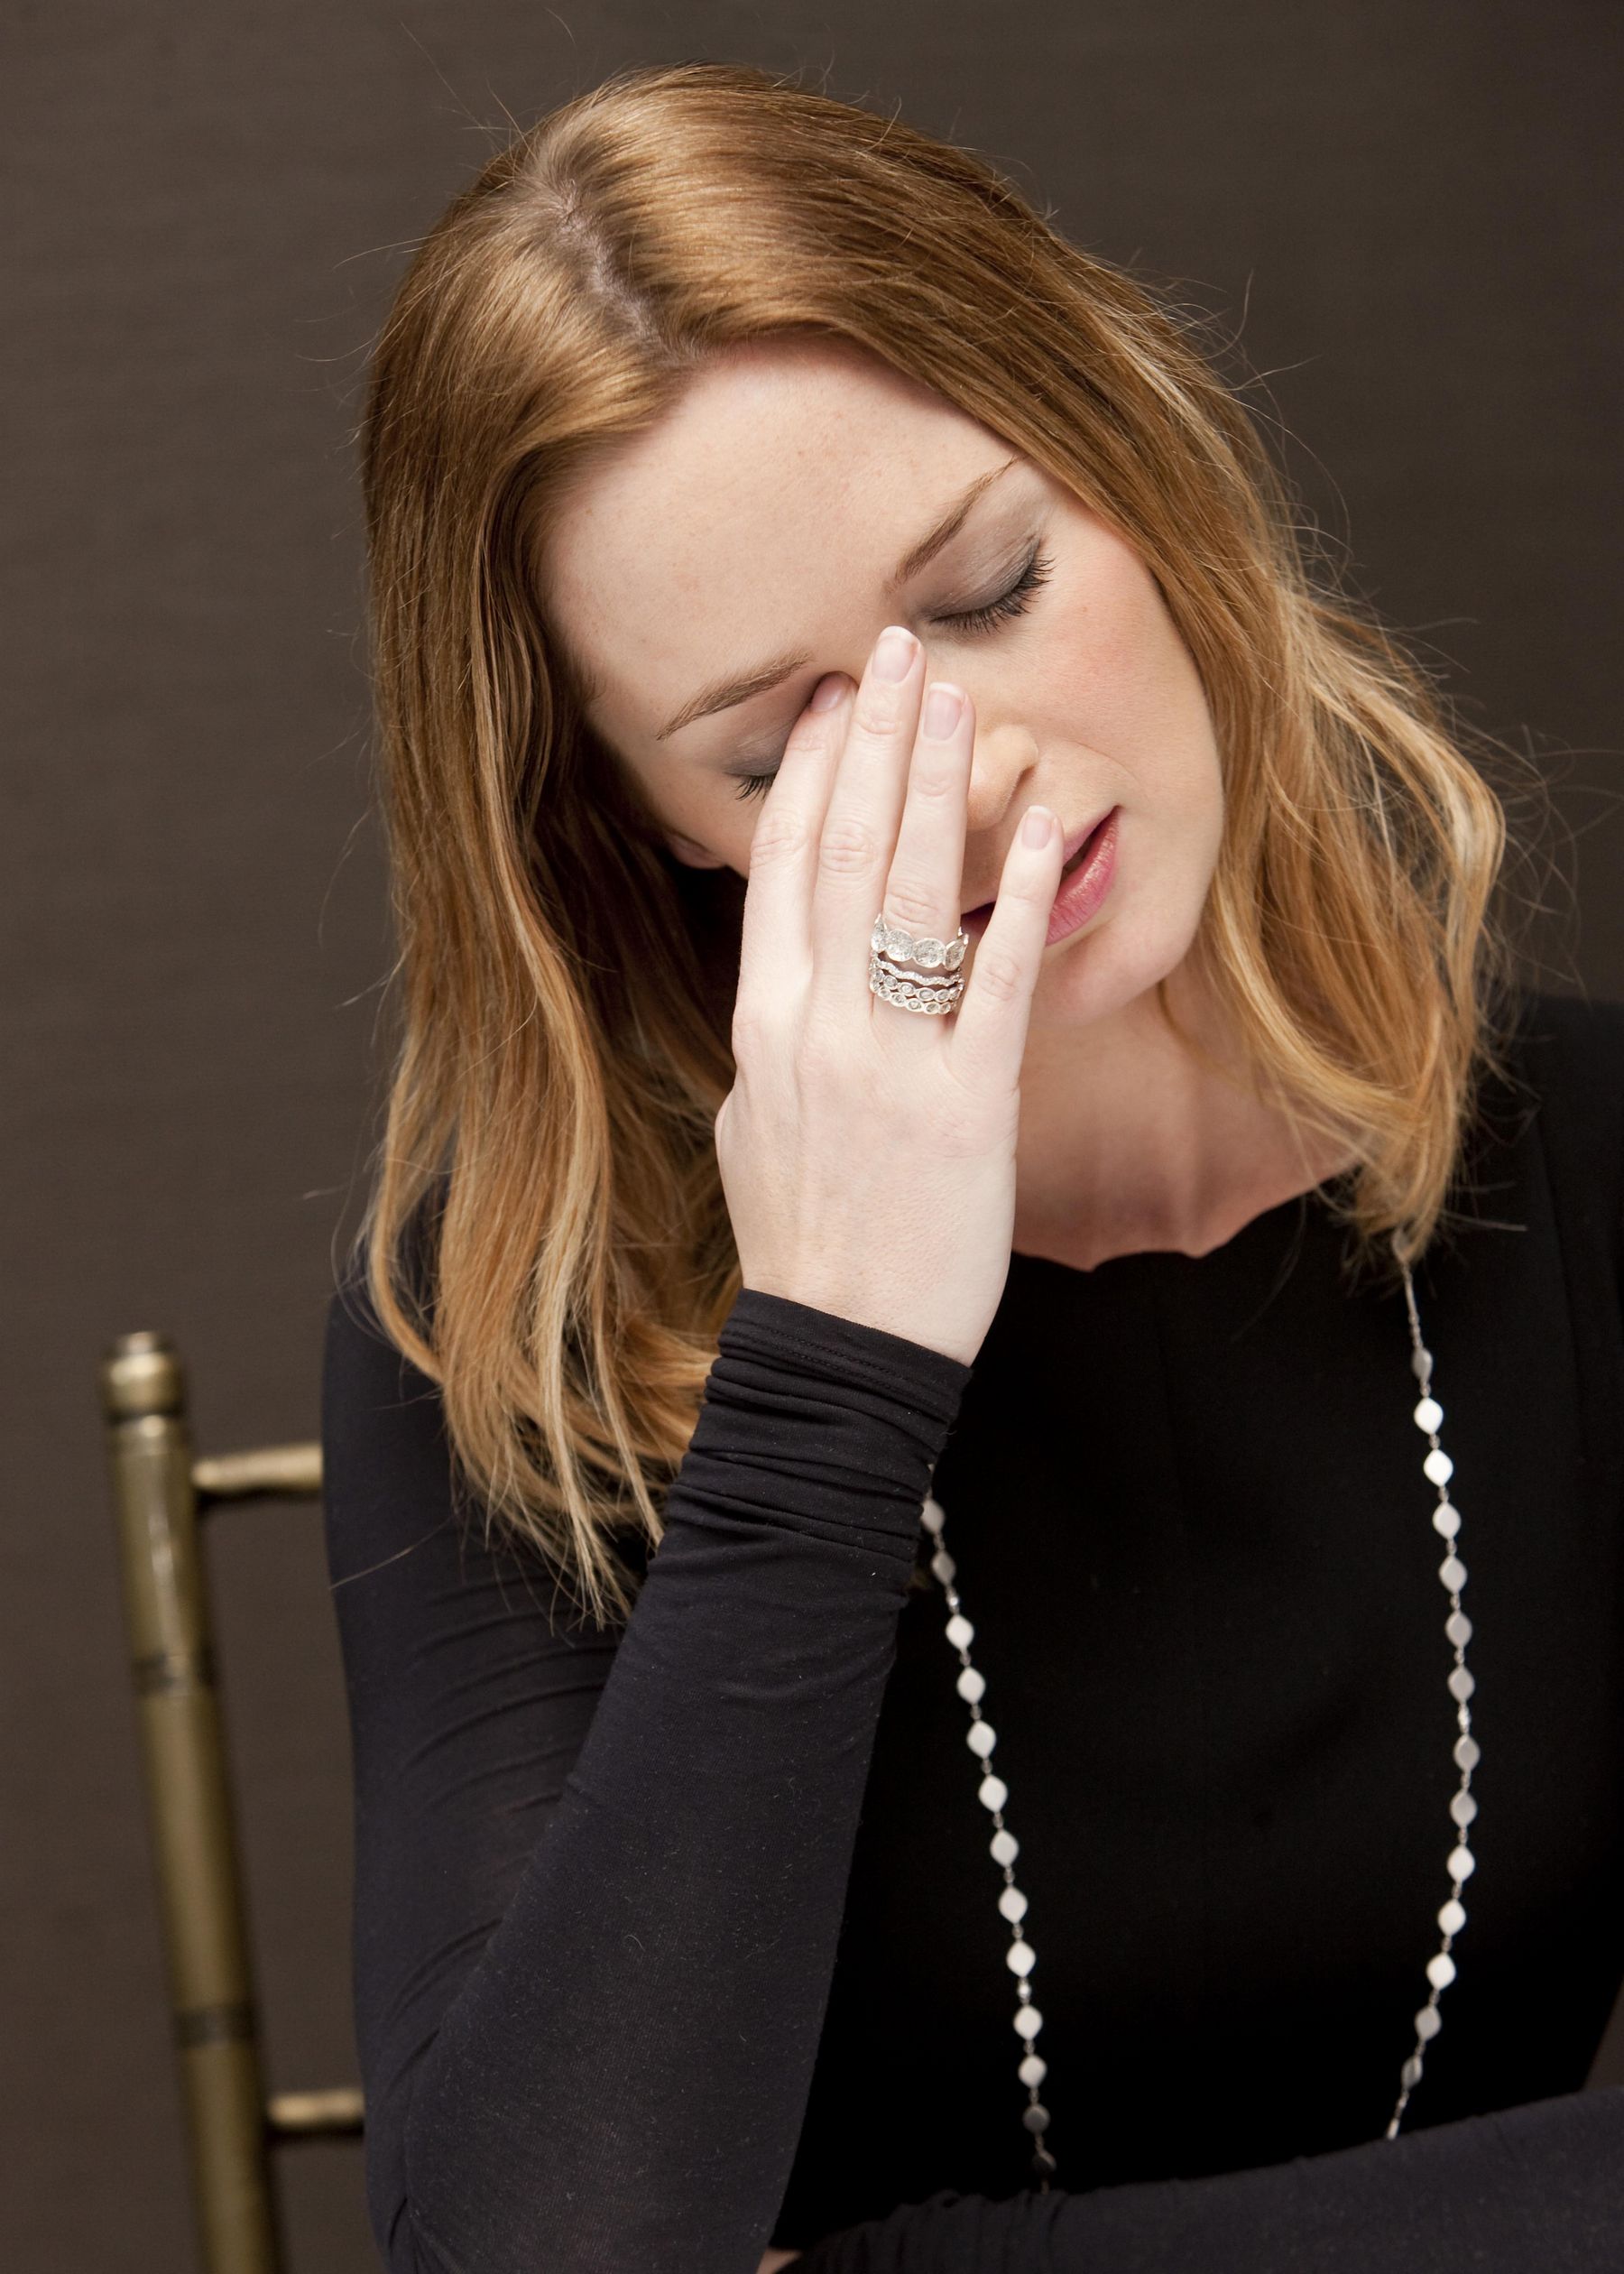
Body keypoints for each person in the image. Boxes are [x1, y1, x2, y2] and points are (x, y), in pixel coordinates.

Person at [320, 58, 1624, 2273]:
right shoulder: (506, 1312)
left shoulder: (1590, 1167)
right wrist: (834, 1354)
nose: (977, 777)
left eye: (994, 583)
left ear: (1139, 456)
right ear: (647, 825)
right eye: (788, 740)